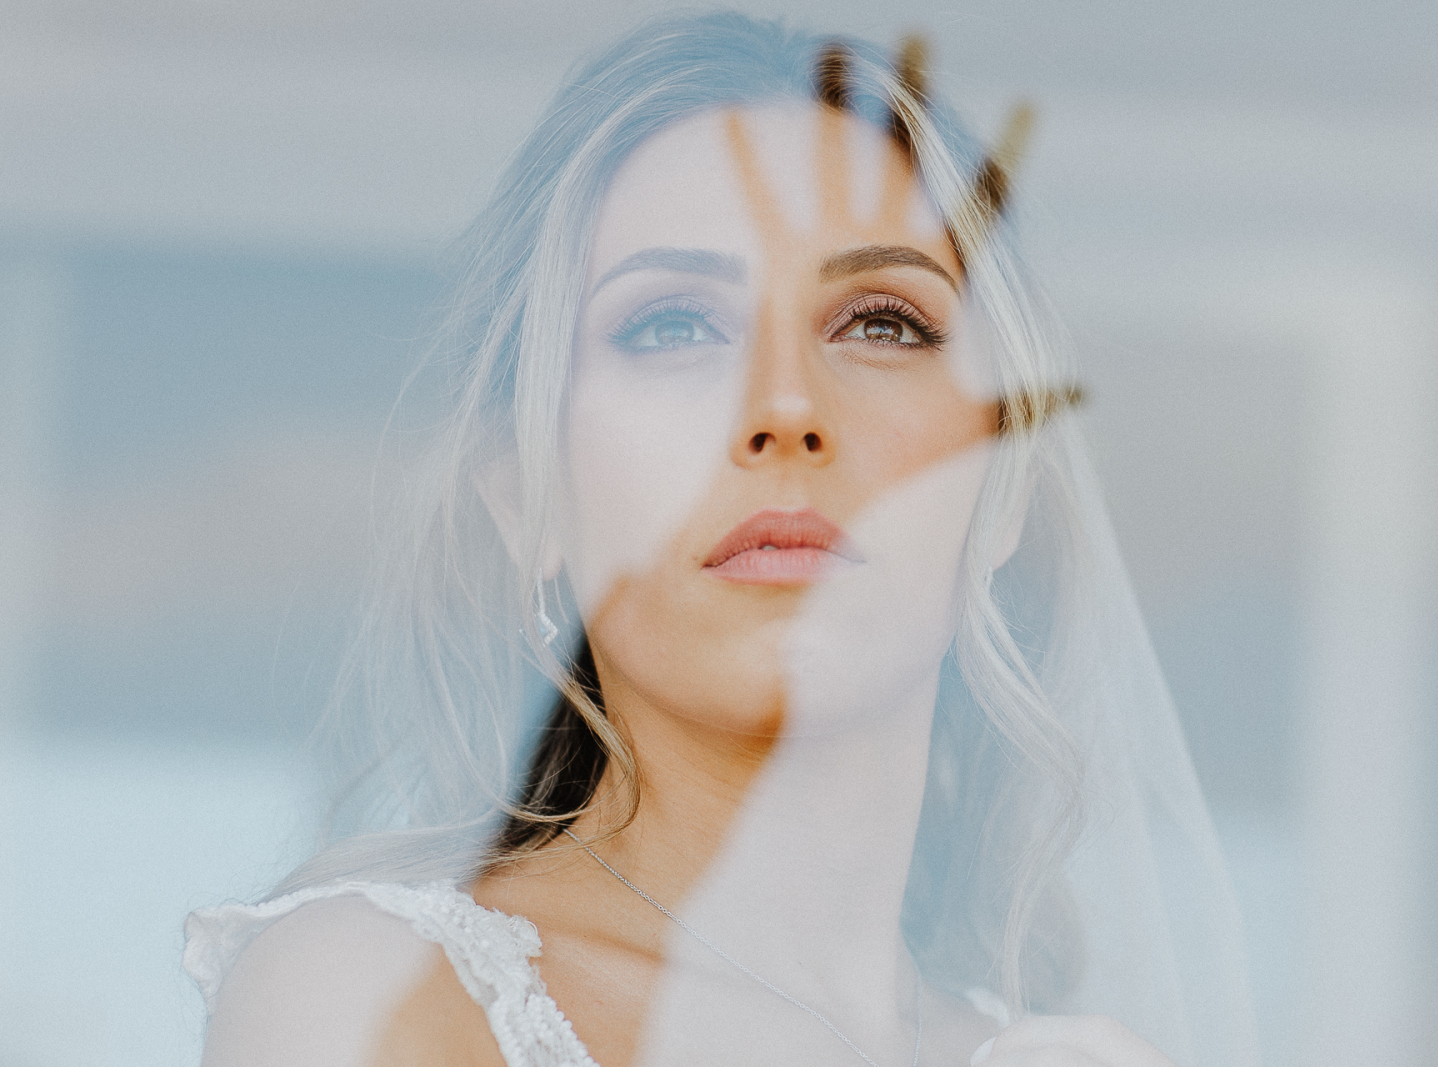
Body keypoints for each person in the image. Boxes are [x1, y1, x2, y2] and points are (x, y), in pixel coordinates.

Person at [183, 12, 1259, 1067]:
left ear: (1000, 490)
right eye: (672, 324)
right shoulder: (374, 990)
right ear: (528, 501)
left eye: (882, 322)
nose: (785, 405)